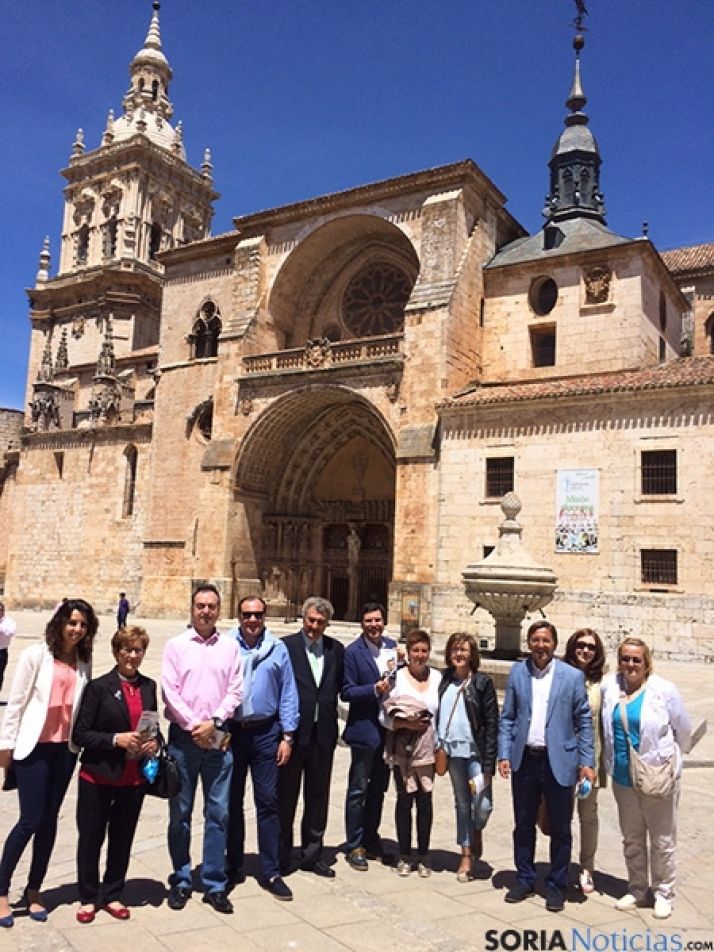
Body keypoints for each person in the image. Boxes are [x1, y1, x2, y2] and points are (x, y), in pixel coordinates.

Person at [0, 598, 98, 927]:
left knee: (50, 821)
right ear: (60, 623)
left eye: (82, 624)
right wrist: (6, 746)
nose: (76, 629)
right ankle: (1, 891)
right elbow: (15, 704)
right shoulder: (35, 655)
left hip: (64, 750)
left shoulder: (84, 659)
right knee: (30, 819)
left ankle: (34, 889)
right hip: (33, 747)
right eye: (72, 622)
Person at [497, 620, 594, 913]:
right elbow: (508, 717)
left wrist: (587, 761)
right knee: (523, 823)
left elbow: (584, 721)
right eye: (536, 640)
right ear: (529, 643)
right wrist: (504, 754)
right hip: (525, 758)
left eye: (546, 640)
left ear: (554, 644)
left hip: (560, 760)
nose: (541, 646)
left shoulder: (572, 677)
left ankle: (556, 884)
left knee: (561, 827)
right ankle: (525, 878)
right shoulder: (518, 671)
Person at [161, 584, 243, 914]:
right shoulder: (176, 645)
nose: (205, 611)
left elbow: (236, 690)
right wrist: (197, 725)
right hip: (185, 738)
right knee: (179, 814)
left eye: (211, 606)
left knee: (219, 812)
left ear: (219, 610)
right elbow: (169, 691)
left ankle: (214, 882)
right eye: (200, 605)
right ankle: (181, 878)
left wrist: (215, 721)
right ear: (191, 608)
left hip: (219, 737)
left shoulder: (230, 647)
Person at [73, 625, 159, 923]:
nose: (132, 656)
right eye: (127, 649)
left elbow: (153, 727)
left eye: (138, 650)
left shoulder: (149, 687)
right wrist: (115, 739)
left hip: (133, 777)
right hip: (98, 776)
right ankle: (87, 896)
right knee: (91, 837)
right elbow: (81, 734)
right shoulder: (98, 688)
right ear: (116, 652)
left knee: (122, 838)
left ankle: (112, 893)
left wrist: (153, 742)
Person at [601, 637, 691, 921]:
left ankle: (664, 892)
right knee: (632, 837)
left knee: (663, 839)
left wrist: (671, 762)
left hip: (657, 776)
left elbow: (683, 730)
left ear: (646, 662)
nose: (630, 664)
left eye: (636, 659)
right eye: (625, 658)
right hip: (623, 778)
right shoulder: (610, 686)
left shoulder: (664, 690)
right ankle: (638, 888)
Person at [226, 595, 299, 901]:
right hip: (231, 732)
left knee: (268, 801)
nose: (252, 620)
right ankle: (232, 864)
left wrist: (288, 736)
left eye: (257, 614)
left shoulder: (278, 649)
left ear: (265, 616)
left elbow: (288, 693)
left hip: (266, 732)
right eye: (246, 614)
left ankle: (270, 869)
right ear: (239, 616)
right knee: (230, 801)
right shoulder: (225, 647)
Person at [278, 596, 344, 878]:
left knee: (318, 795)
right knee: (286, 796)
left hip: (323, 734)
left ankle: (312, 853)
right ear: (303, 619)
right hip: (293, 733)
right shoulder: (285, 647)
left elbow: (344, 685)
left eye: (320, 622)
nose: (314, 627)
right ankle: (281, 855)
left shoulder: (336, 649)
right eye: (310, 620)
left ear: (328, 623)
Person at [341, 601, 399, 871]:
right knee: (358, 790)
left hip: (388, 732)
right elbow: (347, 692)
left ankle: (372, 839)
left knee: (378, 789)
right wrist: (373, 689)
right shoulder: (352, 652)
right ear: (362, 623)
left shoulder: (392, 648)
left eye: (377, 620)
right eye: (369, 621)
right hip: (364, 730)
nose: (374, 625)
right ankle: (354, 845)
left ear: (384, 621)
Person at [437, 632, 498, 882]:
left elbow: (492, 724)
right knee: (462, 803)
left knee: (483, 804)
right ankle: (465, 854)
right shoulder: (442, 680)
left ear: (472, 654)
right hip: (452, 752)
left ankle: (476, 830)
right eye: (455, 650)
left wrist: (489, 763)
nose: (459, 654)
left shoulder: (482, 683)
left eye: (464, 650)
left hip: (476, 752)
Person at [382, 628, 440, 878]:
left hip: (428, 749)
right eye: (415, 650)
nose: (420, 655)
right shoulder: (396, 677)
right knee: (404, 800)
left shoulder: (437, 678)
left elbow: (442, 713)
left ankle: (424, 855)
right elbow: (383, 714)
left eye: (424, 650)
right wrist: (405, 724)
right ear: (409, 651)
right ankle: (404, 854)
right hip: (401, 749)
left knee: (425, 802)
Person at [563, 627, 606, 895]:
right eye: (580, 645)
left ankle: (587, 868)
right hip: (563, 759)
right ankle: (562, 866)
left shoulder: (604, 684)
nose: (585, 650)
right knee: (561, 816)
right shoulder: (561, 676)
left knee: (588, 816)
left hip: (592, 760)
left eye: (591, 646)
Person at [0, 603, 17, 694]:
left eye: (0, 610)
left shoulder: (9, 622)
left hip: (1, 651)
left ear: (3, 611)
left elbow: (11, 632)